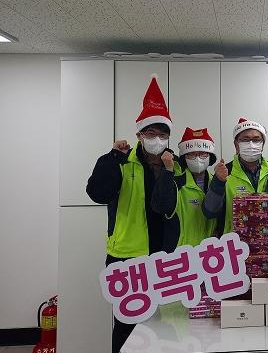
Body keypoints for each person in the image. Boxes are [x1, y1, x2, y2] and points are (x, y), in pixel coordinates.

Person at [86, 77, 177, 353]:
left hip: (164, 257)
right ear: (139, 135)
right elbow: (97, 193)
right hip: (126, 257)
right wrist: (111, 158)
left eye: (162, 134)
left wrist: (169, 171)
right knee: (127, 325)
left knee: (165, 324)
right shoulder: (120, 162)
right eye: (151, 133)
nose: (157, 139)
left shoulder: (175, 165)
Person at [151, 127, 218, 252]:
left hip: (209, 255)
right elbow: (160, 207)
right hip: (179, 256)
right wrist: (168, 170)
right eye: (191, 154)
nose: (198, 158)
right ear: (184, 157)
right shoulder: (175, 182)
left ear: (210, 157)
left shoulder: (216, 184)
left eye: (203, 153)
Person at [202, 118, 268, 234]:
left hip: (266, 239)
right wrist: (218, 182)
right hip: (233, 241)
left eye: (256, 140)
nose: (251, 144)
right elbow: (209, 212)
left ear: (262, 144)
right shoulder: (225, 172)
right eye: (245, 140)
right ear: (236, 144)